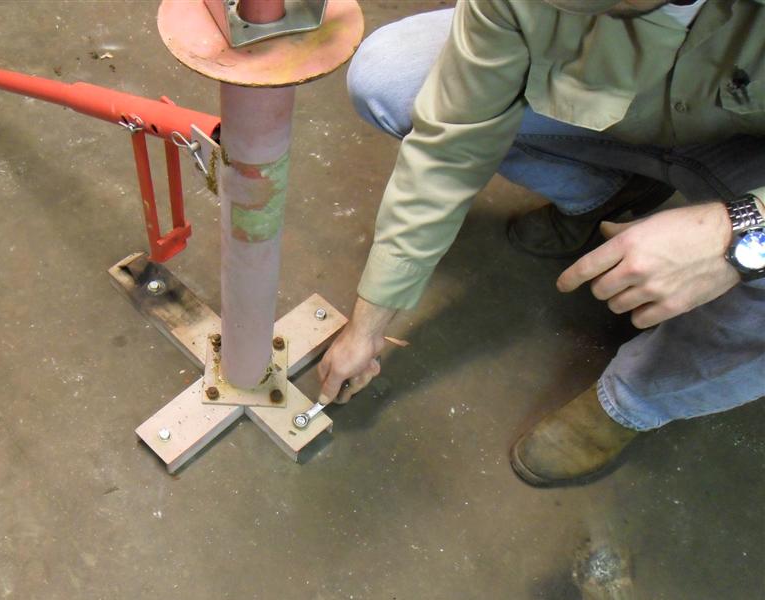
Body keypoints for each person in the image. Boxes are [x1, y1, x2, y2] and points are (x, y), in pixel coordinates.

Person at [317, 0, 765, 486]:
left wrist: (741, 233)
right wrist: (368, 326)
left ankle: (634, 400)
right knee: (395, 78)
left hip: (748, 152)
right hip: (633, 104)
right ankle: (609, 193)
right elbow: (450, 146)